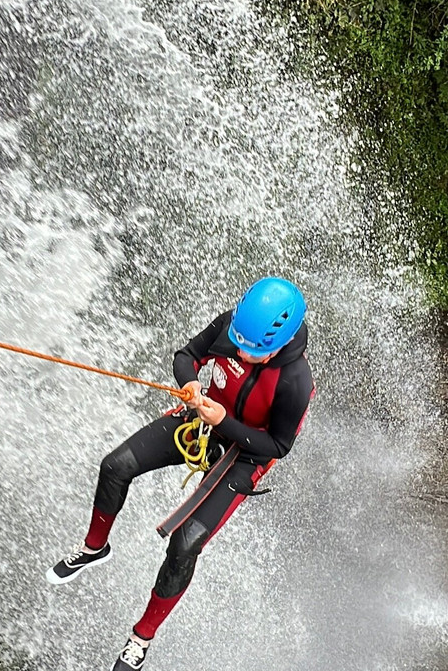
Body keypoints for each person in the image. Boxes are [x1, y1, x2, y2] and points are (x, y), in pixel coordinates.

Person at [45, 276, 314, 671]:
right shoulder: (232, 326)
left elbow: (278, 447)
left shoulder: (295, 382)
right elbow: (186, 355)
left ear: (276, 348)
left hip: (246, 453)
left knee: (186, 543)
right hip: (204, 419)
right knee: (115, 465)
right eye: (238, 342)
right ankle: (94, 548)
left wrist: (228, 423)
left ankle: (141, 638)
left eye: (251, 351)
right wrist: (190, 385)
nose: (239, 351)